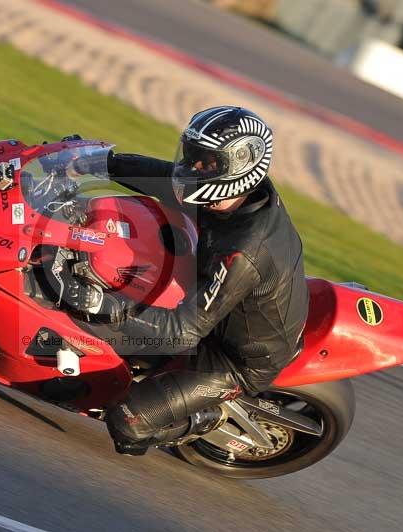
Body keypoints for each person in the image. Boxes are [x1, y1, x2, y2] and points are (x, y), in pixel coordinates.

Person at [65, 106, 309, 455]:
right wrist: (100, 162)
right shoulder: (230, 196)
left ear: (235, 170)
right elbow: (165, 178)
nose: (191, 167)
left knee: (126, 422)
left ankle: (207, 418)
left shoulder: (245, 251)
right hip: (213, 298)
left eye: (205, 162)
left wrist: (101, 305)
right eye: (192, 156)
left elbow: (181, 332)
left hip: (233, 357)